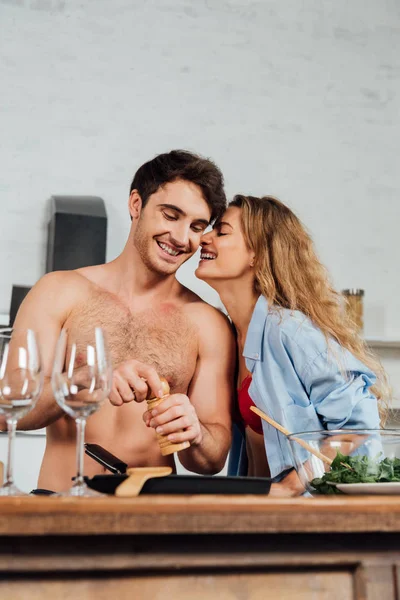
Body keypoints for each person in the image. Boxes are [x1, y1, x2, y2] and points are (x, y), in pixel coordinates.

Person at [1, 150, 235, 492]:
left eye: (197, 227)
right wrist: (84, 379)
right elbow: (9, 409)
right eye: (171, 215)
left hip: (153, 519)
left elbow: (211, 460)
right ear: (136, 204)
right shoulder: (59, 292)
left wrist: (196, 432)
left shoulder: (208, 324)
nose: (183, 238)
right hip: (61, 507)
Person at [196, 194, 389, 495]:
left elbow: (357, 426)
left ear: (256, 254)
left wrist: (293, 484)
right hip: (254, 515)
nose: (203, 238)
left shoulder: (287, 330)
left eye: (221, 232)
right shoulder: (226, 335)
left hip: (306, 520)